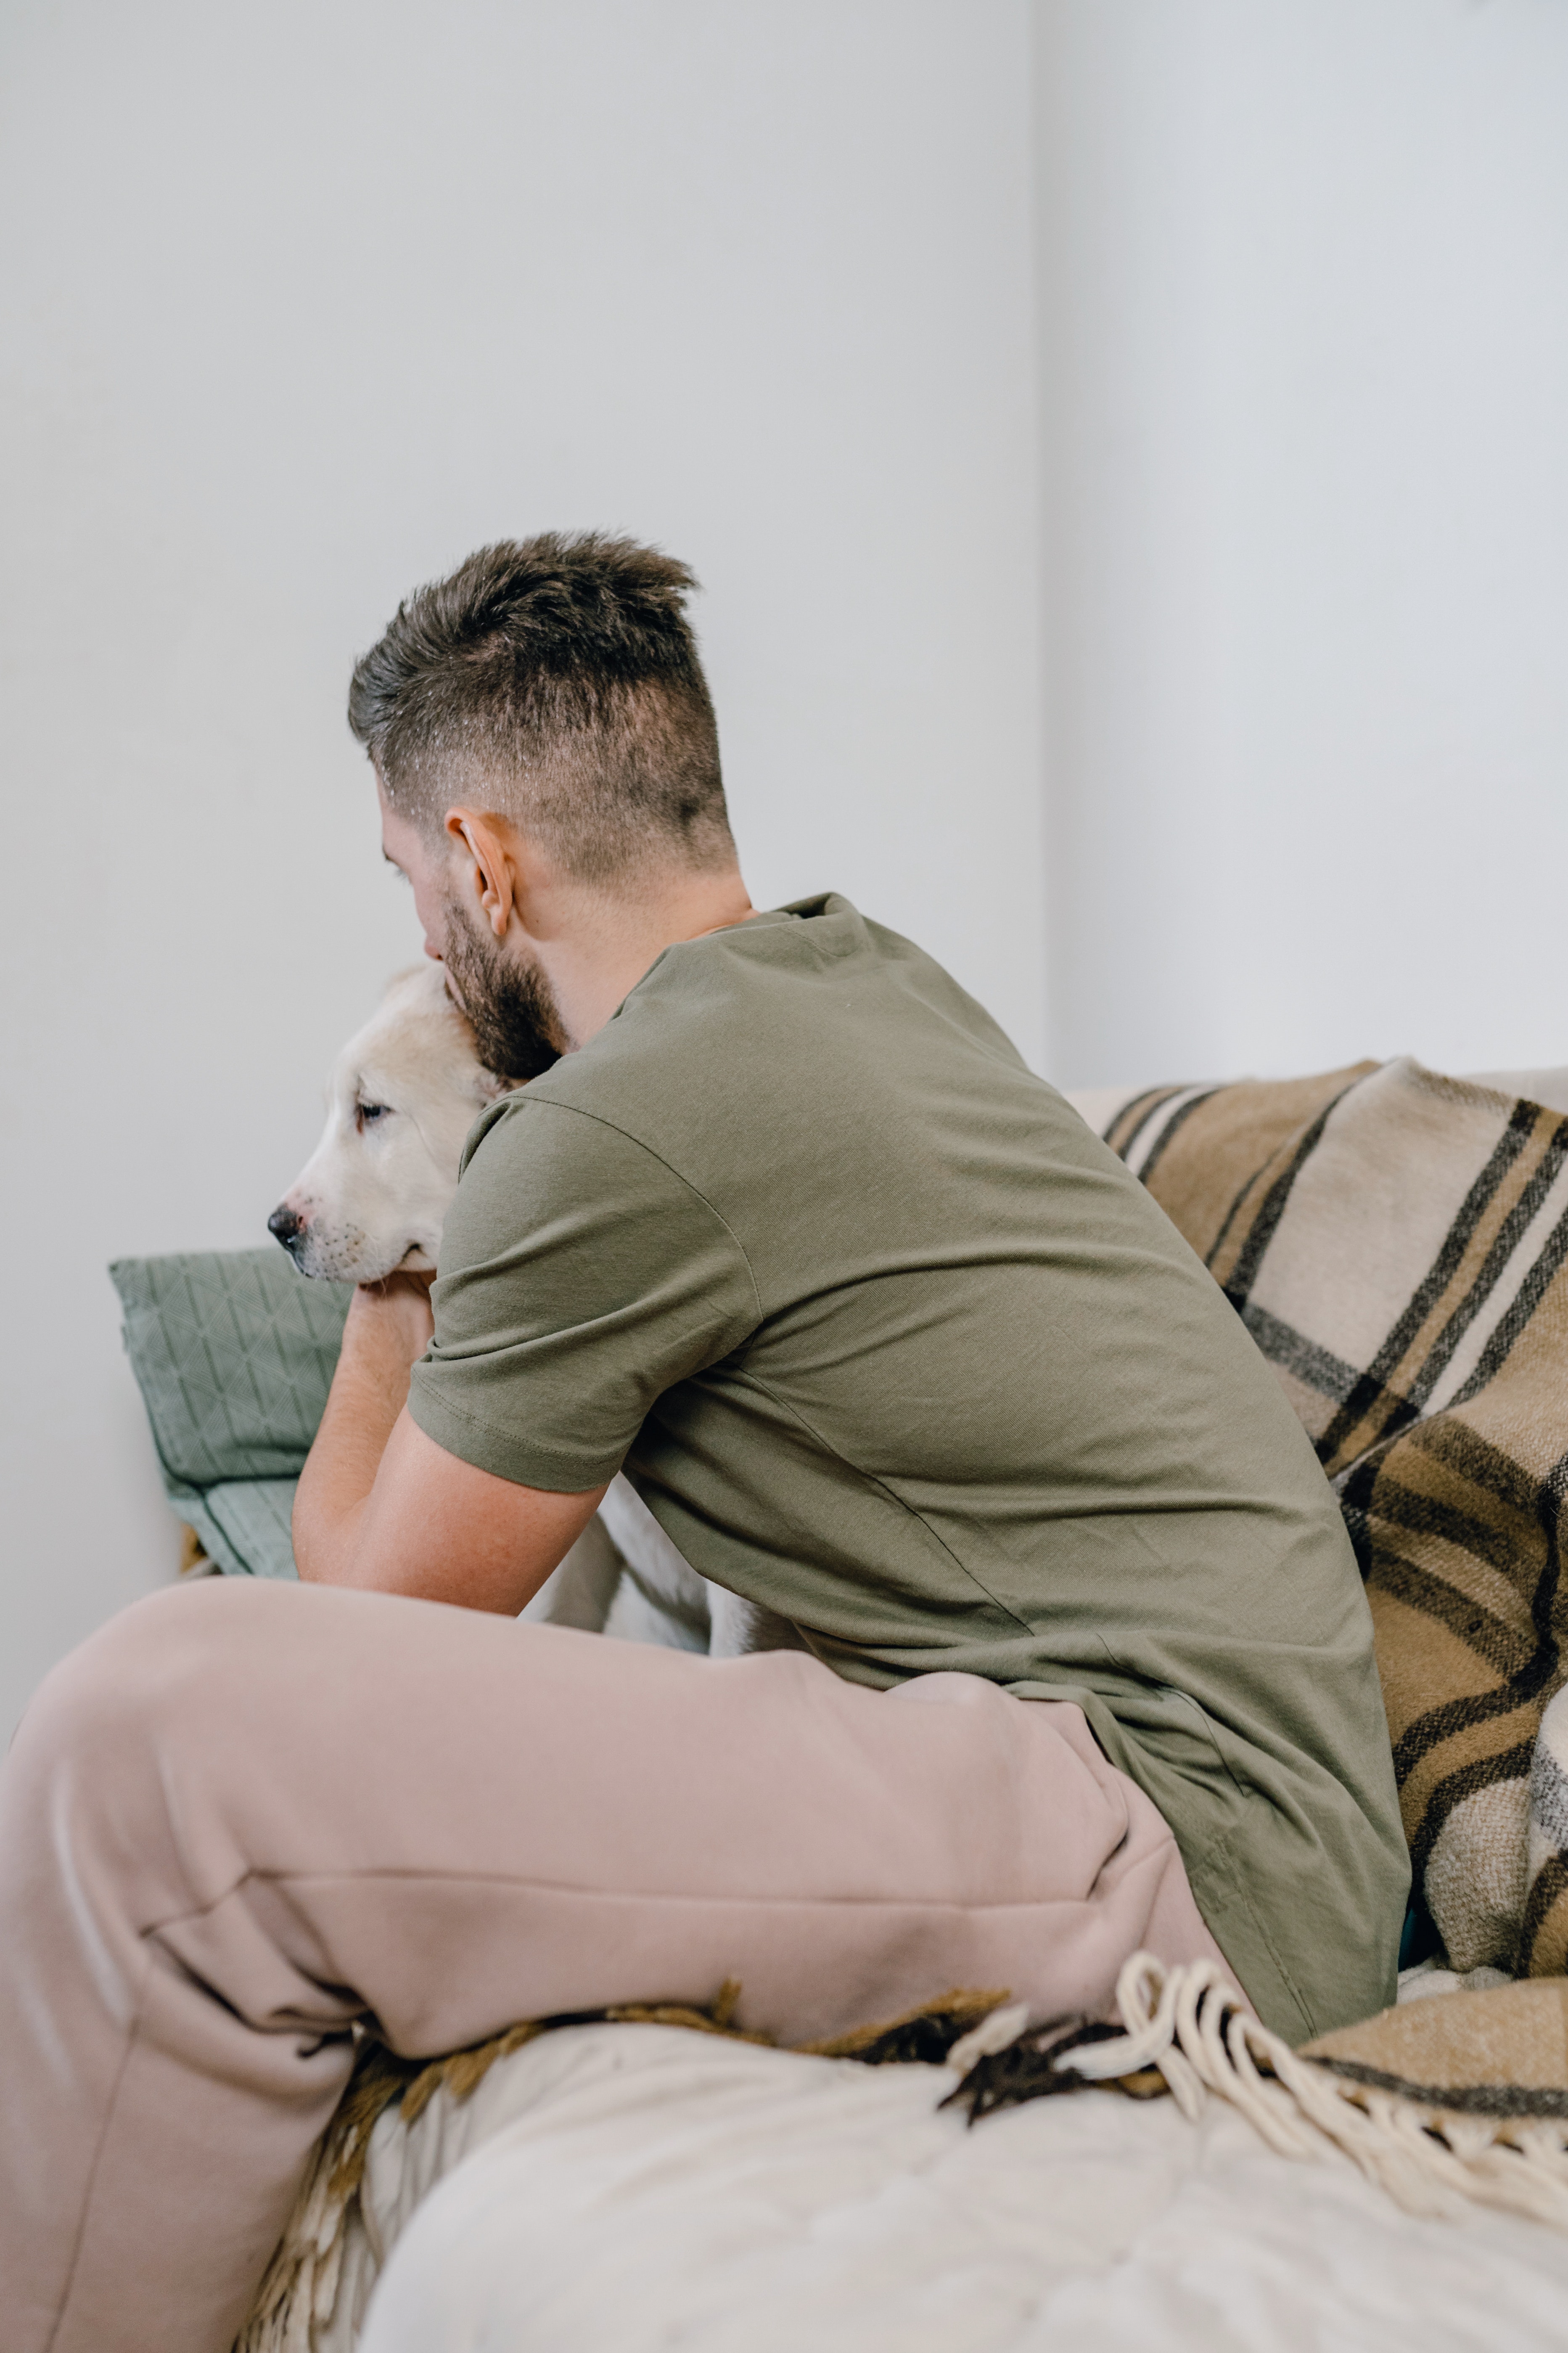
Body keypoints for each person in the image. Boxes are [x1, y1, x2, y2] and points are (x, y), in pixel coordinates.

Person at [0, 535, 1408, 2353]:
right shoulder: (865, 978)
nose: (419, 933)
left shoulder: (610, 1129)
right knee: (174, 1713)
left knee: (154, 1737)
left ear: (479, 862)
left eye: (410, 879)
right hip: (1216, 1812)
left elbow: (361, 1619)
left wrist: (392, 1246)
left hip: (1173, 1851)